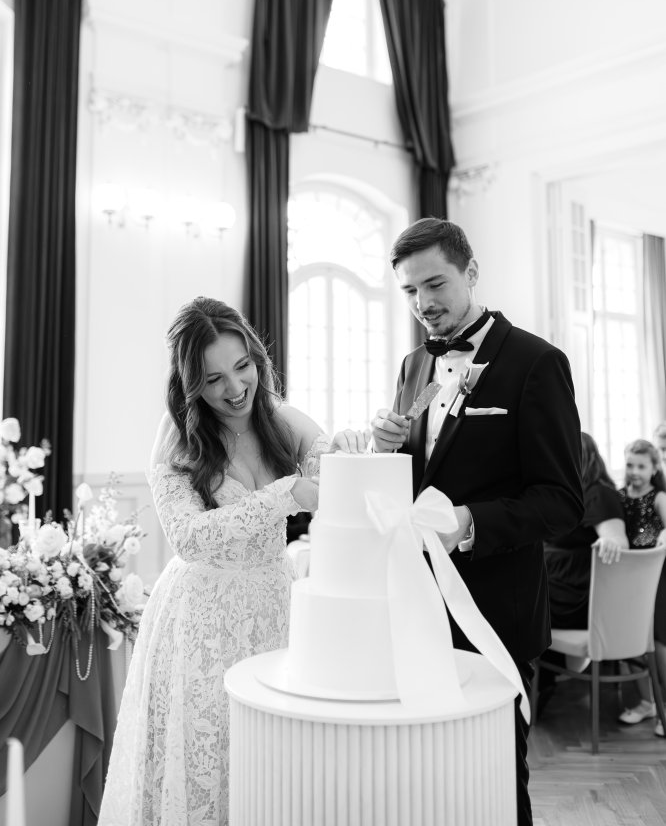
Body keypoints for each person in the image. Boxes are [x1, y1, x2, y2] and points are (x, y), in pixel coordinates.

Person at [98, 297, 365, 826]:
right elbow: (189, 538)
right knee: (205, 753)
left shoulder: (282, 420)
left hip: (273, 609)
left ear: (257, 358)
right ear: (190, 383)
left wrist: (351, 445)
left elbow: (336, 475)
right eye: (213, 378)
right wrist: (285, 494)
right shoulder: (177, 436)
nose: (235, 388)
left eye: (243, 366)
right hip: (200, 618)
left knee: (268, 759)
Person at [370, 218, 583, 826]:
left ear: (472, 272)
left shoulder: (537, 363)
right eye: (410, 291)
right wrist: (386, 449)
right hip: (417, 608)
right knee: (429, 773)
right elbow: (417, 480)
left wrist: (469, 522)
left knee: (495, 777)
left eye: (435, 284)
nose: (423, 303)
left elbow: (562, 501)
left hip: (496, 611)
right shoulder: (414, 363)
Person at [545, 431, 627, 630]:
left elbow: (618, 541)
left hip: (577, 597)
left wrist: (610, 542)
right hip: (560, 585)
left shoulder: (599, 494)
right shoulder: (571, 494)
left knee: (513, 598)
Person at [614, 438, 666, 734]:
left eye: (641, 466)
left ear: (654, 468)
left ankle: (664, 707)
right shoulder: (619, 496)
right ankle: (647, 702)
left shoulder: (658, 497)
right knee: (632, 639)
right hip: (628, 578)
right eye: (630, 465)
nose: (634, 471)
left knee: (658, 641)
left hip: (656, 577)